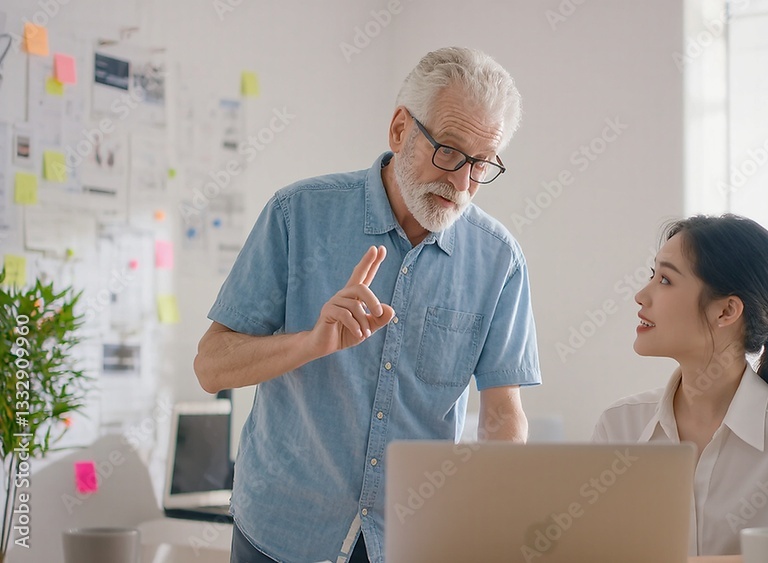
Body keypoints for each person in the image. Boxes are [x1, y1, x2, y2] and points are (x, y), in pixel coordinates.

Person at [194, 47, 542, 563]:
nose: (461, 182)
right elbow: (210, 366)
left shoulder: (499, 259)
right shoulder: (297, 214)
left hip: (413, 540)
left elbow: (503, 412)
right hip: (281, 533)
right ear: (400, 129)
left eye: (481, 164)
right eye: (449, 151)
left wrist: (493, 523)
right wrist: (309, 343)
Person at [592, 214, 768, 563]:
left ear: (726, 311)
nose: (641, 295)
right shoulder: (620, 425)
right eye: (652, 275)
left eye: (665, 280)